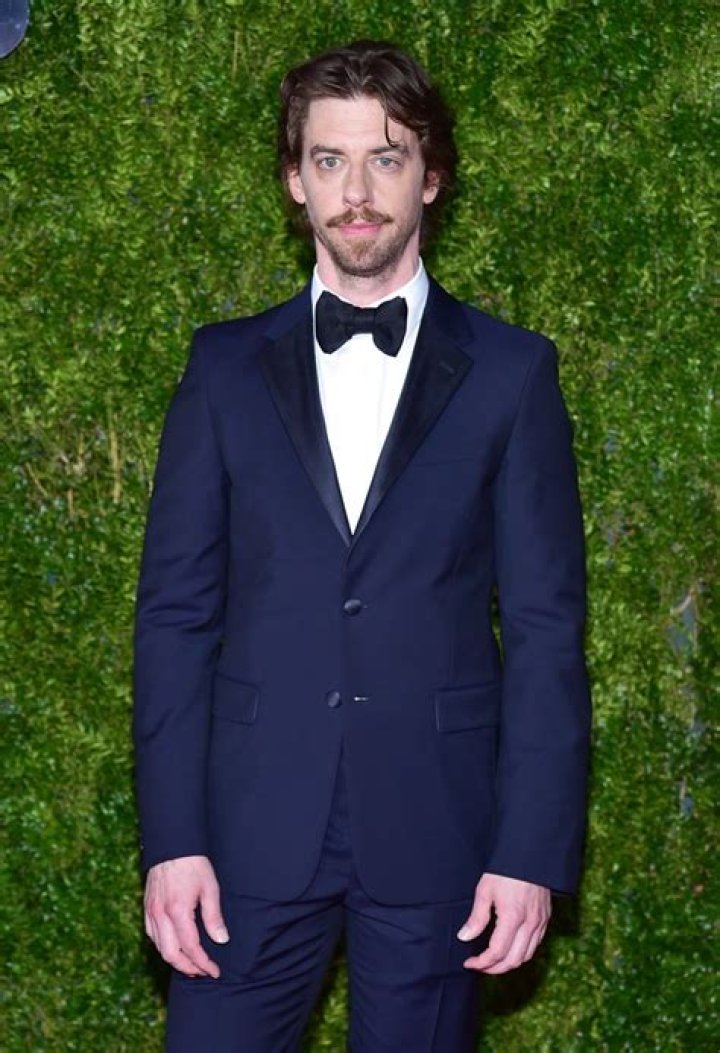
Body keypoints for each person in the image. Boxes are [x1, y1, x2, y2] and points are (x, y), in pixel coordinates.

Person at [133, 39, 591, 1053]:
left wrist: (530, 850)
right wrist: (173, 841)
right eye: (329, 159)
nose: (356, 191)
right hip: (246, 830)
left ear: (431, 177)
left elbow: (547, 630)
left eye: (386, 158)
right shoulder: (222, 368)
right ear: (294, 181)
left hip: (440, 831)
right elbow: (174, 618)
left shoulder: (513, 374)